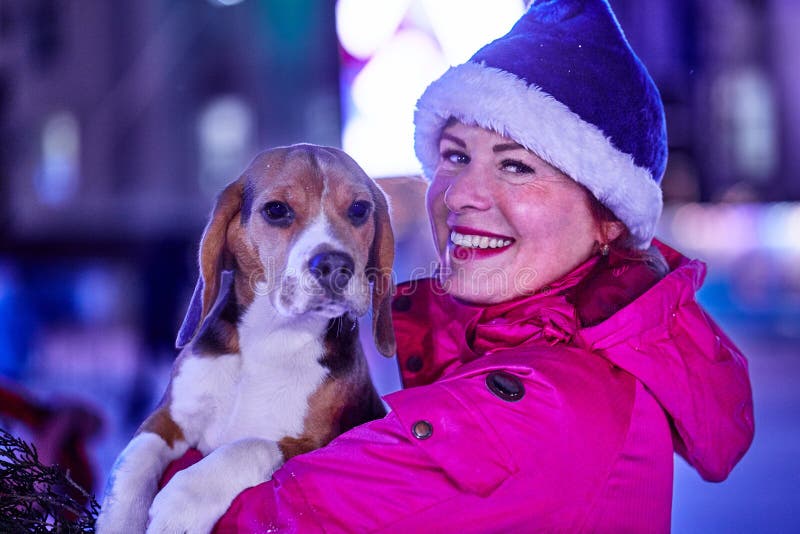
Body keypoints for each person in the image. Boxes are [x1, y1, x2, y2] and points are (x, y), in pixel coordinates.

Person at [210, 0, 754, 531]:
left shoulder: (538, 411)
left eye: (516, 165)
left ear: (607, 219)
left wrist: (185, 444)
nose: (460, 195)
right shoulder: (558, 359)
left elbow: (240, 521)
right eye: (455, 156)